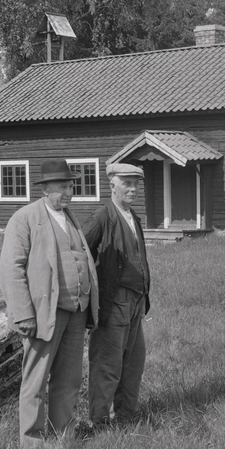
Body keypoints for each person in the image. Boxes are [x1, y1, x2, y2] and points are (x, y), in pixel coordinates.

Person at [0, 159, 100, 449]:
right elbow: (10, 269)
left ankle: (63, 435)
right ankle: (32, 444)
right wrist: (24, 314)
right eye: (61, 187)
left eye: (71, 186)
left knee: (68, 379)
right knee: (36, 380)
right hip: (43, 314)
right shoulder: (25, 218)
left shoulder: (69, 217)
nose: (68, 192)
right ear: (44, 189)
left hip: (76, 311)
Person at [83, 163, 151, 430]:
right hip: (114, 303)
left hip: (136, 301)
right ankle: (99, 423)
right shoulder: (102, 217)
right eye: (127, 183)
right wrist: (92, 293)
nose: (133, 189)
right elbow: (79, 253)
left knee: (133, 364)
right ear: (112, 185)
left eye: (136, 184)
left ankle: (126, 416)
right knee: (107, 364)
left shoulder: (132, 217)